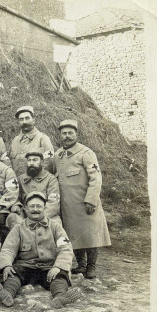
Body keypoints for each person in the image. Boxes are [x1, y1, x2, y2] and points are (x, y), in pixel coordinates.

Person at [0, 192, 81, 309]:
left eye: (38, 206)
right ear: (26, 209)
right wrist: (7, 264)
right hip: (26, 266)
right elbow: (8, 248)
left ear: (44, 208)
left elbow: (65, 248)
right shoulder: (19, 228)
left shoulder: (55, 226)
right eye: (32, 206)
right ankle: (7, 294)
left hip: (48, 267)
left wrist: (58, 266)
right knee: (13, 273)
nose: (35, 209)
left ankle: (60, 297)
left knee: (60, 276)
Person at [53, 119, 111, 279]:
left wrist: (91, 200)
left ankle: (91, 267)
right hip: (67, 205)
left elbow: (96, 177)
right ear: (60, 135)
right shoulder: (57, 155)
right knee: (73, 234)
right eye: (64, 133)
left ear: (76, 134)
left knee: (91, 234)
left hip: (85, 203)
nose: (67, 136)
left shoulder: (86, 153)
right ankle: (81, 265)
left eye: (70, 133)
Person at [6, 149, 61, 229]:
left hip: (45, 214)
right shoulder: (20, 179)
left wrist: (38, 216)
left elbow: (54, 203)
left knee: (56, 223)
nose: (31, 163)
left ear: (42, 162)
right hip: (25, 214)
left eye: (35, 160)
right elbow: (15, 197)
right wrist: (16, 205)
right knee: (12, 217)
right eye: (29, 160)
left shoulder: (50, 179)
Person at [8, 105, 55, 176]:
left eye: (27, 118)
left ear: (33, 120)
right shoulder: (15, 141)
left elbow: (49, 164)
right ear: (18, 122)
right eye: (21, 119)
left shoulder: (43, 139)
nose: (24, 122)